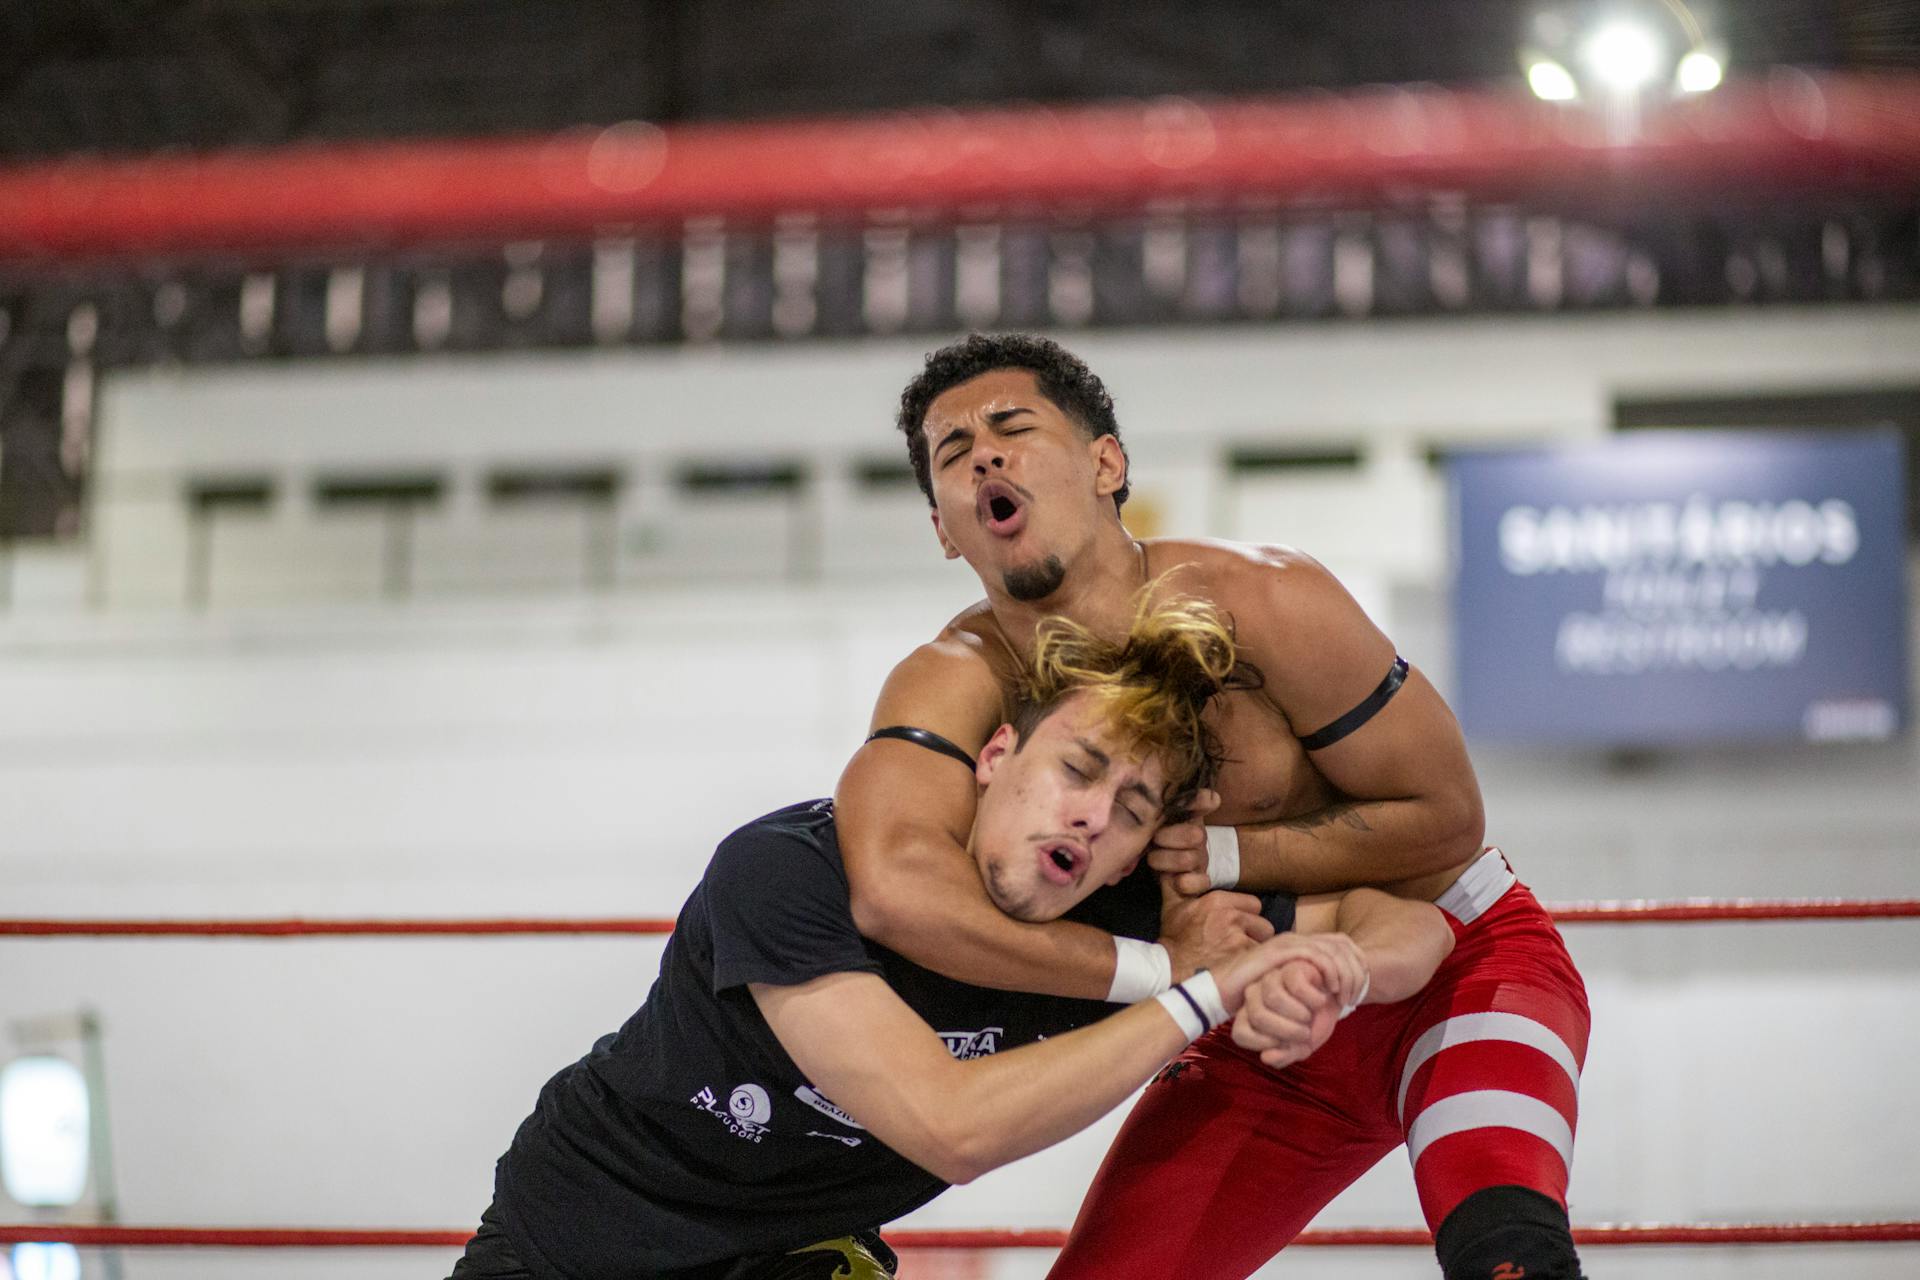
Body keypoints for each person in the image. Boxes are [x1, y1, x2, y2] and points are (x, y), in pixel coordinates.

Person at [833, 332, 1592, 1280]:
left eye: (1012, 428)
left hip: (1454, 963)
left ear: (1106, 461)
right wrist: (1168, 972)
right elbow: (896, 885)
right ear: (944, 527)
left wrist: (1227, 860)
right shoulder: (954, 680)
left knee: (1508, 1257)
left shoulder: (1267, 600)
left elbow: (1449, 817)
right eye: (954, 452)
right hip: (1249, 1013)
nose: (984, 454)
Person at [451, 594, 1455, 1280]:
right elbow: (952, 1129)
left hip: (799, 1252)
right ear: (996, 755)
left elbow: (1410, 919)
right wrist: (1198, 992)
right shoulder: (794, 869)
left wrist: (1333, 966)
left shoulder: (1137, 904)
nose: (1092, 815)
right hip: (579, 1235)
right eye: (1079, 767)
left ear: (1144, 848)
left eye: (1133, 807)